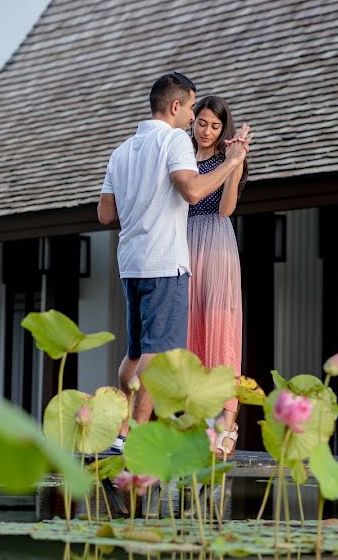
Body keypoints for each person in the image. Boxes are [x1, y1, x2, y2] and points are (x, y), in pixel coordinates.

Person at [97, 73, 251, 452]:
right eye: (192, 112)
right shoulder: (174, 142)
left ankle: (122, 428)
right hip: (165, 261)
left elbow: (105, 213)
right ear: (177, 106)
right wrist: (231, 162)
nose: (193, 122)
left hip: (130, 262)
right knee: (160, 351)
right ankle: (131, 433)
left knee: (136, 350)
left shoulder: (121, 151)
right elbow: (194, 190)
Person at [186, 95, 247, 458]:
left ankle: (227, 421)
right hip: (184, 245)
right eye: (202, 123)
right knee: (190, 332)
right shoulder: (181, 157)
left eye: (215, 125)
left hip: (217, 244)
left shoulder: (229, 158)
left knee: (220, 330)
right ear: (193, 123)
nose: (207, 131)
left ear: (224, 128)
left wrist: (234, 162)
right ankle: (196, 419)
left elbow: (226, 208)